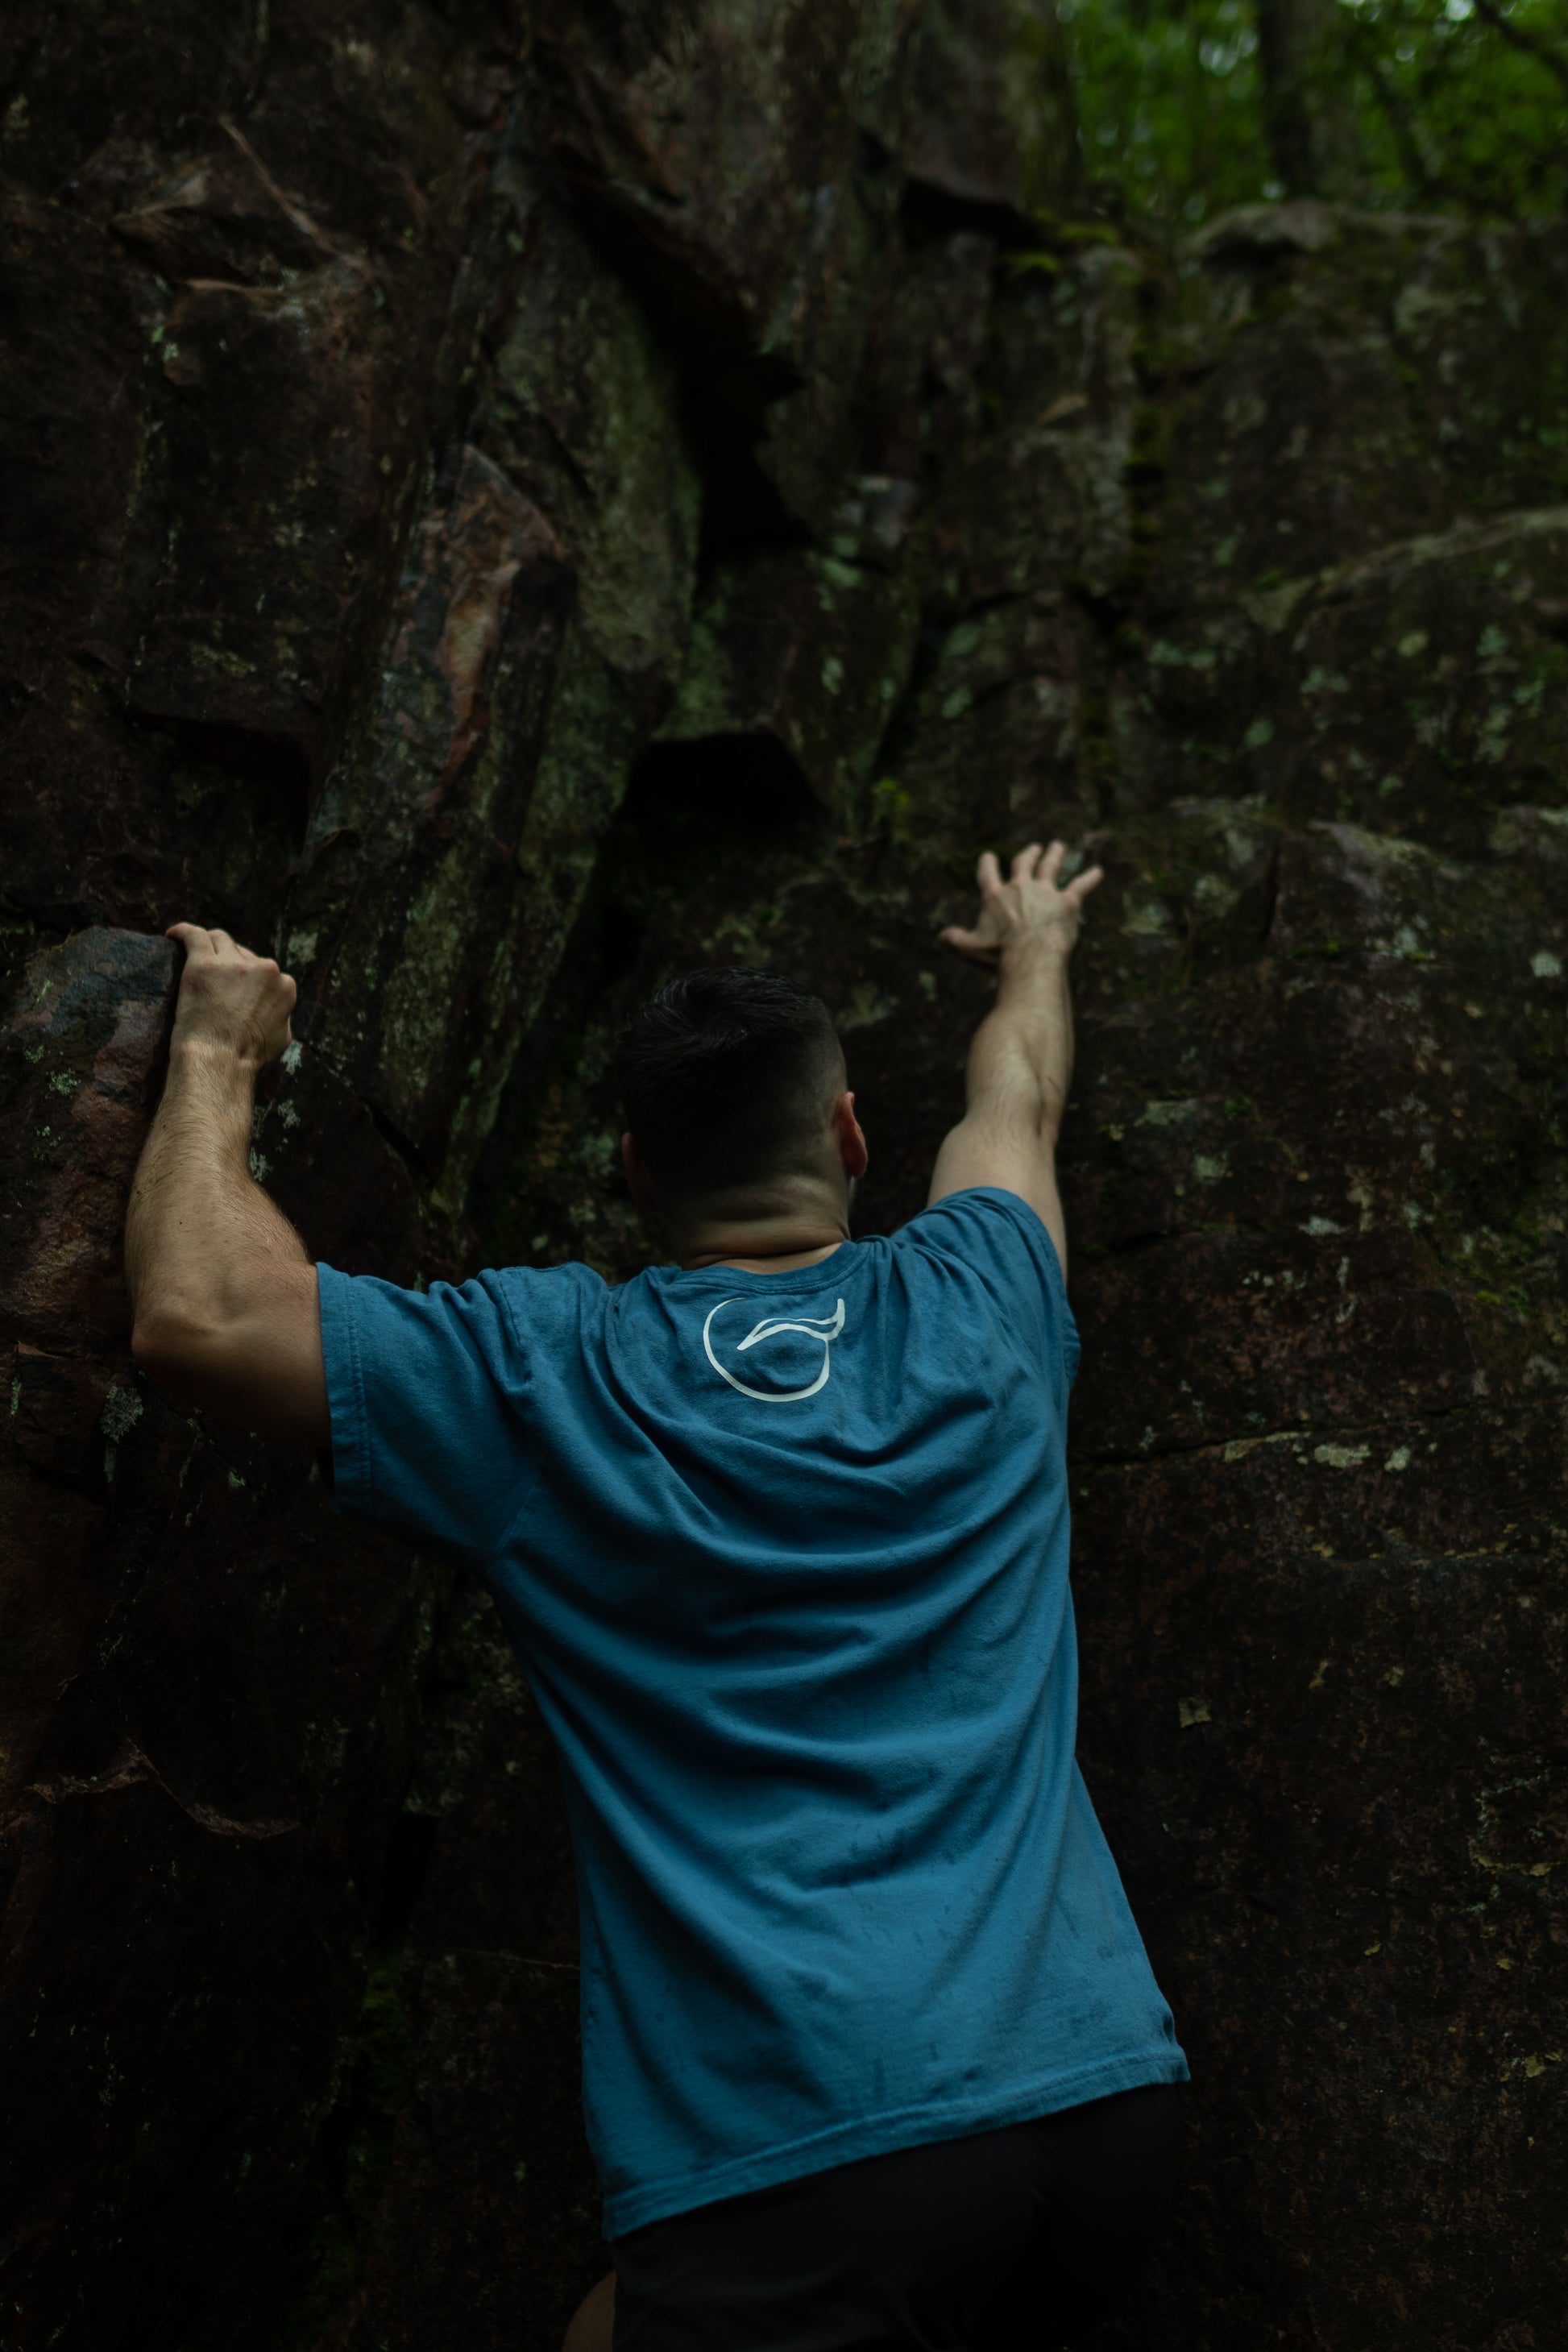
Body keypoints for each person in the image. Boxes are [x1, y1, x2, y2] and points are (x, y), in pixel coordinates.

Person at [127, 840, 1188, 2352]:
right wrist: (1034, 948)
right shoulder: (985, 1295)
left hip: (814, 2144)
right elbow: (1015, 1101)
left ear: (634, 1172)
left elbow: (200, 1314)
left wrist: (217, 1052)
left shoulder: (543, 1373)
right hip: (1100, 2106)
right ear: (849, 1134)